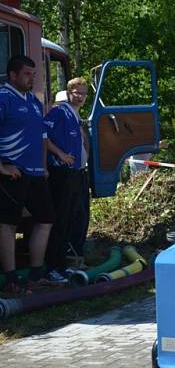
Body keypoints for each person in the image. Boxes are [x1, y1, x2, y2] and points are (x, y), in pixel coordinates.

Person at [0, 55, 57, 293]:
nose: (32, 79)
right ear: (13, 75)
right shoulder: (3, 98)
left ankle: (36, 274)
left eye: (34, 74)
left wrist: (43, 167)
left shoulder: (34, 101)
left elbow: (43, 138)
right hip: (13, 173)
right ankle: (11, 279)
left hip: (35, 174)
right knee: (7, 225)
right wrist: (1, 168)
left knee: (46, 219)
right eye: (27, 74)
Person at [43, 77, 90, 281]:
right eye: (76, 93)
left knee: (70, 219)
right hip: (61, 173)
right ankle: (52, 266)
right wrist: (60, 155)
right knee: (59, 220)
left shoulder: (76, 116)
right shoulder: (60, 111)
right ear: (68, 93)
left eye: (83, 93)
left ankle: (62, 265)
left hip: (76, 173)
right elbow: (42, 133)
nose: (80, 97)